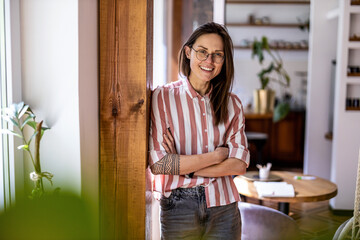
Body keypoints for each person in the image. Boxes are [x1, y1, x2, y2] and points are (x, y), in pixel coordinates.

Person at [148, 22, 249, 240]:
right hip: (178, 207)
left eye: (217, 55)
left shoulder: (233, 104)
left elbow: (239, 165)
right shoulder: (163, 97)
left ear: (224, 61)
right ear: (188, 52)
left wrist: (186, 166)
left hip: (224, 205)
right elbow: (159, 164)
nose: (209, 61)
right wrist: (216, 156)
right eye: (202, 52)